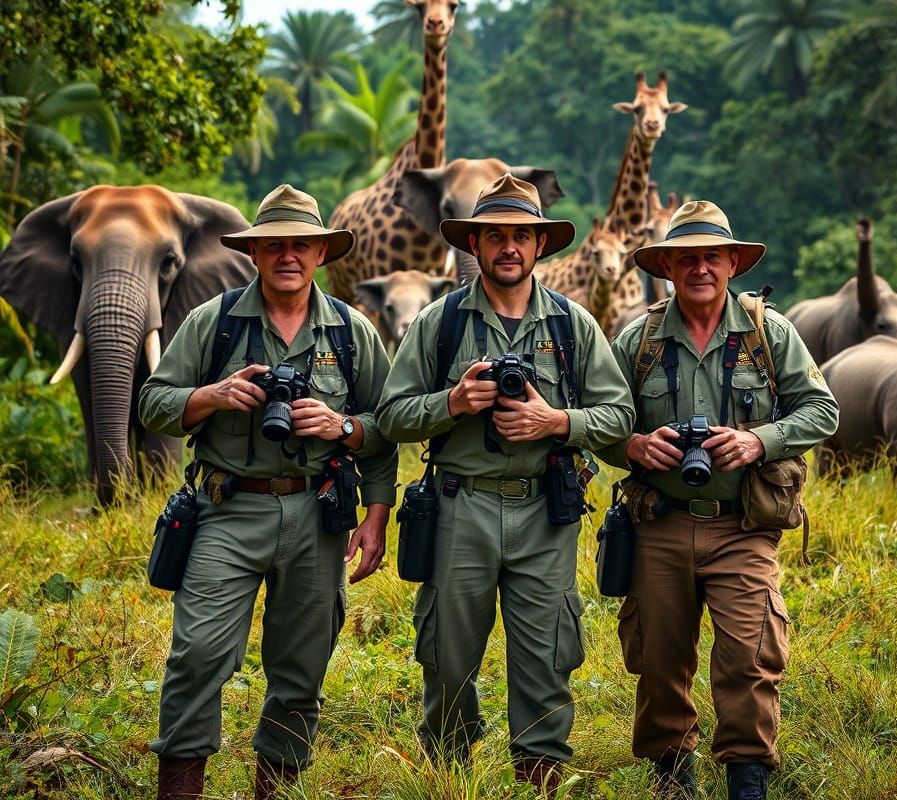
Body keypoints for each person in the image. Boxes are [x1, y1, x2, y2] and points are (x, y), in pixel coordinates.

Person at [376, 174, 635, 792]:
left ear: (540, 245)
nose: (509, 247)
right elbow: (390, 415)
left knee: (547, 658)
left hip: (547, 510)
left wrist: (557, 420)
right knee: (447, 658)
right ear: (477, 244)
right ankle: (447, 777)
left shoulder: (574, 326)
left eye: (522, 235)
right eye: (496, 236)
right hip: (459, 506)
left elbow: (620, 415)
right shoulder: (438, 323)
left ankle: (540, 777)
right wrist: (454, 402)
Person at [139, 185, 397, 800]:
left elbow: (385, 428)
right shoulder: (215, 321)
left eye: (301, 244)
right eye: (274, 244)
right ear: (254, 254)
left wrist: (367, 490)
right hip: (227, 509)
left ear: (320, 254)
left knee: (301, 668)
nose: (288, 254)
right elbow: (152, 402)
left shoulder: (351, 332)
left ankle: (274, 789)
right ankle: (180, 788)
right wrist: (213, 395)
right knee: (198, 652)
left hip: (318, 512)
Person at [601, 200, 839, 800]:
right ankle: (671, 775)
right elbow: (600, 422)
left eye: (712, 256)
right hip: (659, 522)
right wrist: (633, 445)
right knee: (659, 658)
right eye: (687, 258)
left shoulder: (768, 333)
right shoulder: (640, 339)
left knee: (751, 655)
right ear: (668, 266)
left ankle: (747, 779)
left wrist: (759, 440)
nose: (700, 268)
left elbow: (823, 410)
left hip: (743, 525)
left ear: (732, 262)